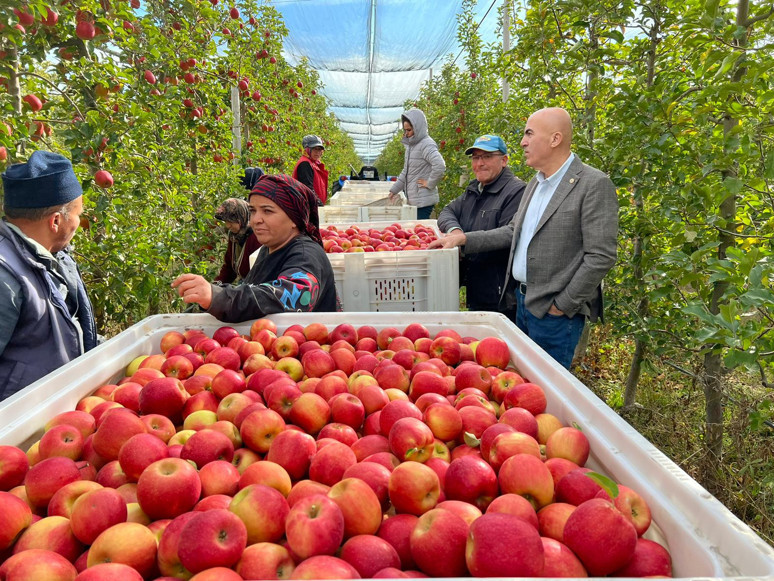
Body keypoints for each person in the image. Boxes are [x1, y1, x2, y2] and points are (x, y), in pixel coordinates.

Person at [431, 108, 618, 369]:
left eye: (529, 134)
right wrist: (463, 239)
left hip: (554, 313)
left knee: (549, 388)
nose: (523, 142)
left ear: (555, 139)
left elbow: (601, 255)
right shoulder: (536, 184)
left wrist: (562, 305)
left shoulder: (592, 184)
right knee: (523, 380)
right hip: (522, 302)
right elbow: (512, 232)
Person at [0, 151, 98, 401]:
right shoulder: (5, 277)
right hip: (18, 427)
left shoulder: (55, 256)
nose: (79, 221)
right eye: (77, 213)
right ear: (56, 221)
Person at [173, 174, 338, 322]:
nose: (255, 220)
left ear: (294, 218)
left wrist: (219, 297)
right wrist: (213, 293)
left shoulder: (306, 255)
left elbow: (292, 295)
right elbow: (252, 288)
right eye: (252, 211)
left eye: (267, 211)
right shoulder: (271, 247)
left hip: (308, 350)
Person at [437, 134, 526, 320]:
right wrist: (455, 230)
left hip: (499, 293)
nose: (480, 163)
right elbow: (447, 211)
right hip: (477, 286)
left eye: (487, 157)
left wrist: (465, 239)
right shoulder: (475, 189)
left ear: (504, 160)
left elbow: (509, 235)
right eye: (476, 157)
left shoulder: (516, 192)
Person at [389, 108, 446, 219]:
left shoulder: (426, 144)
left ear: (417, 128)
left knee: (420, 230)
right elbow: (406, 172)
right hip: (415, 201)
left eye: (409, 130)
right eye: (405, 130)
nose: (406, 134)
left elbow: (439, 165)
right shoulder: (411, 146)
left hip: (423, 202)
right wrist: (394, 190)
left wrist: (430, 183)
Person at [213, 198, 261, 284]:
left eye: (230, 221)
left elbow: (261, 272)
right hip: (245, 283)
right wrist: (216, 285)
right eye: (226, 222)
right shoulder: (234, 237)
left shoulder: (257, 237)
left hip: (256, 285)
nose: (228, 226)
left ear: (241, 218)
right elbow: (229, 268)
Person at [293, 135, 329, 205]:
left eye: (319, 149)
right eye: (314, 149)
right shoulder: (305, 164)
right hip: (308, 208)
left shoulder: (313, 164)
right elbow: (308, 190)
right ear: (307, 149)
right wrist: (319, 205)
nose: (317, 152)